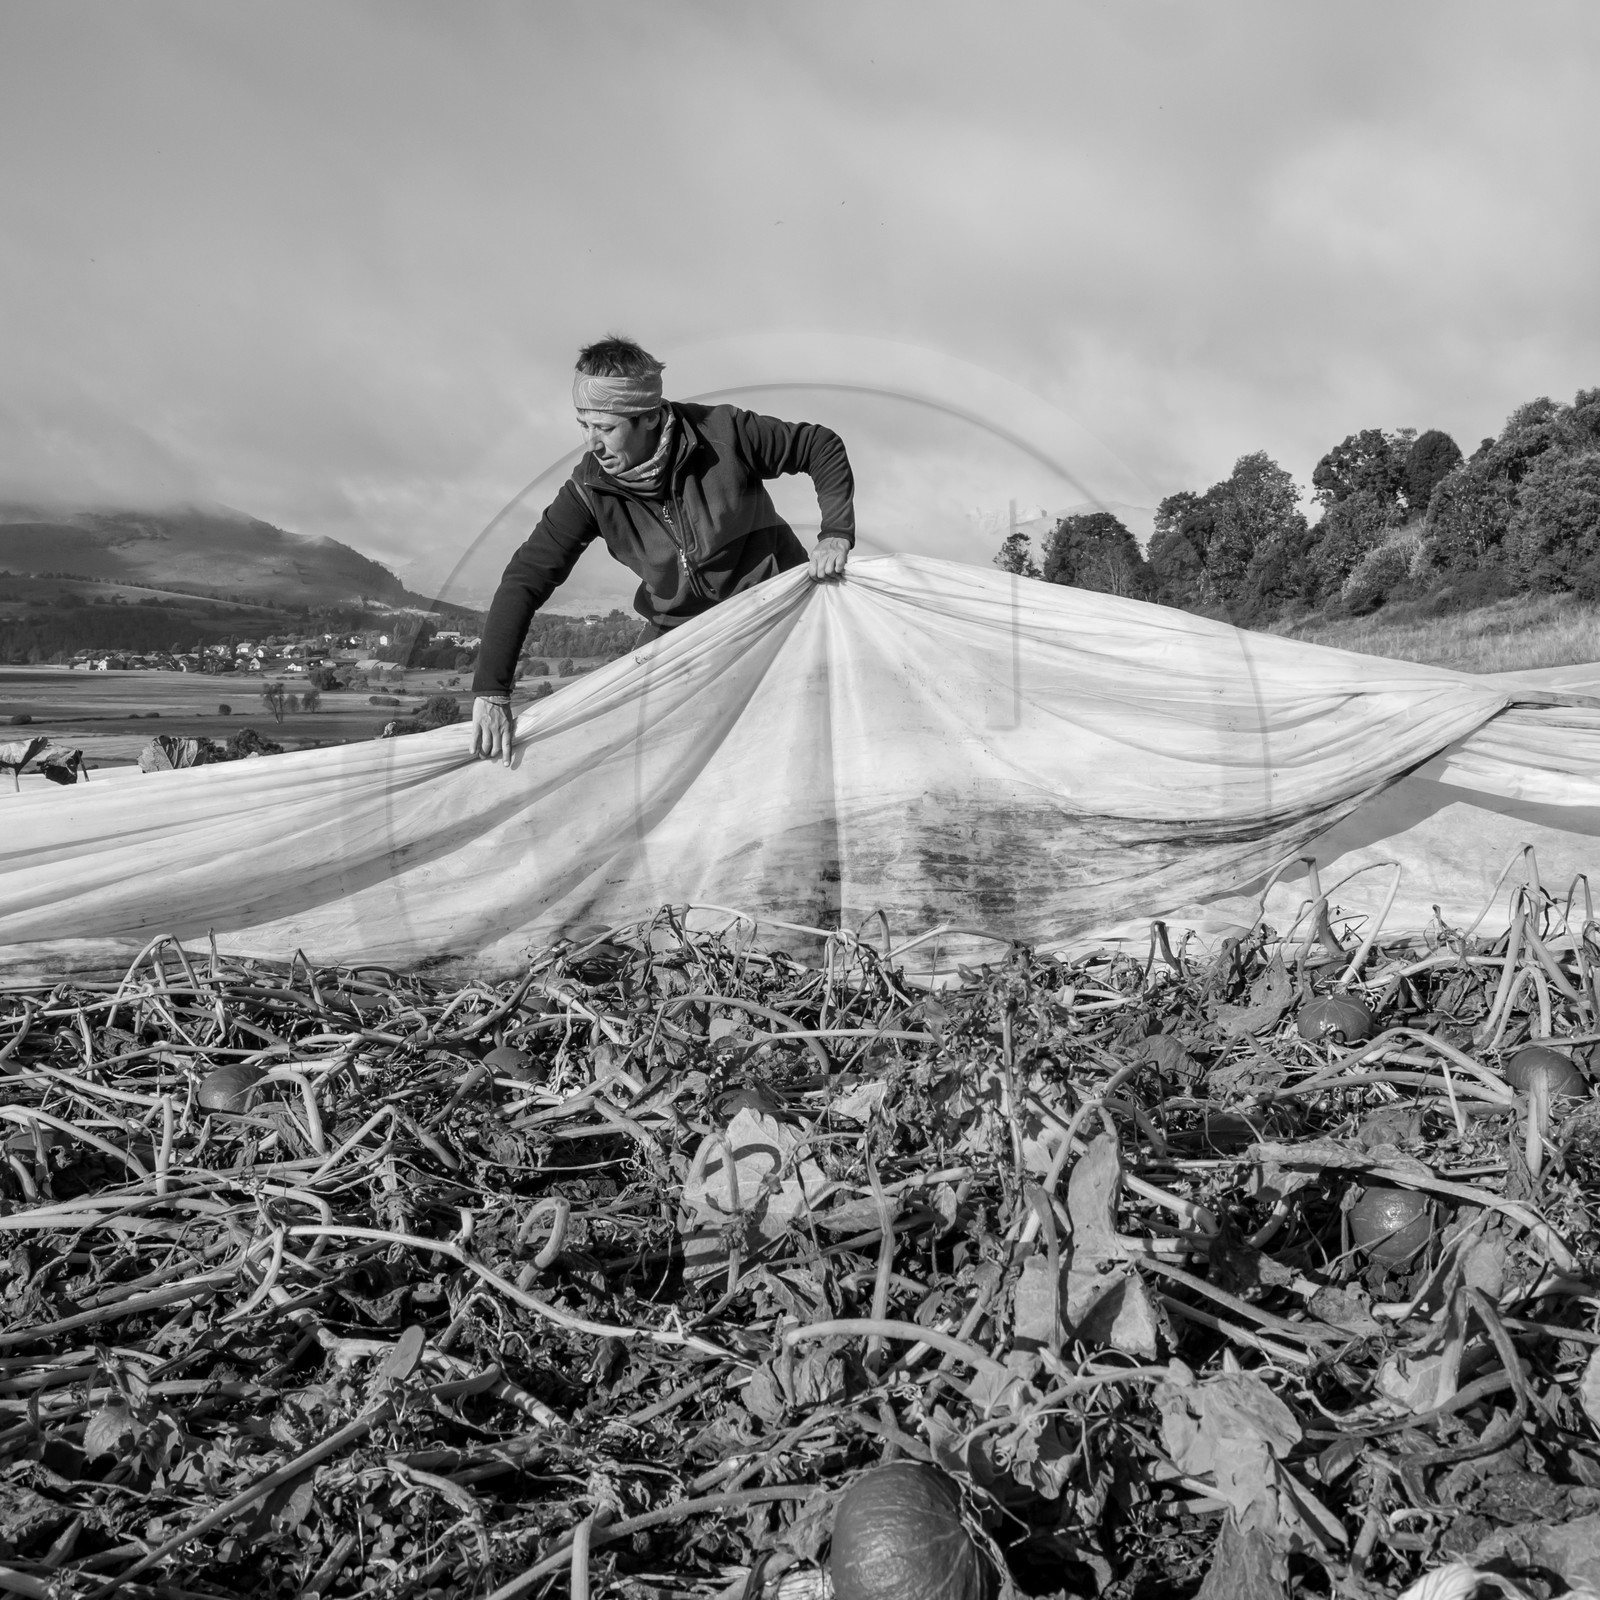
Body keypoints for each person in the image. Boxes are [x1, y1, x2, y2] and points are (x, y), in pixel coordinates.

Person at [470, 335, 855, 763]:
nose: (591, 443)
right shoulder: (589, 490)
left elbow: (820, 445)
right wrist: (491, 691)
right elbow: (527, 577)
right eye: (584, 424)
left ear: (649, 416)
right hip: (678, 632)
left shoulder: (724, 434)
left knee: (801, 738)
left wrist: (835, 532)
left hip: (773, 605)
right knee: (633, 749)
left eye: (606, 428)